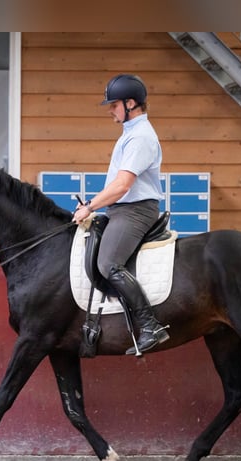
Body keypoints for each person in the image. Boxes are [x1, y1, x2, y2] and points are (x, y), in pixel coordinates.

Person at [73, 74, 170, 355]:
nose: (110, 110)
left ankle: (150, 324)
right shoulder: (130, 133)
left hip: (135, 211)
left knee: (108, 263)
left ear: (130, 103)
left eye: (114, 104)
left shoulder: (140, 137)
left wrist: (90, 206)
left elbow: (123, 185)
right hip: (121, 209)